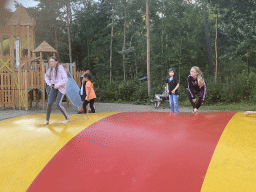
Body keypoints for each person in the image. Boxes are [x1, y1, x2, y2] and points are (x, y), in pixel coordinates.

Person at [43, 56, 70, 125]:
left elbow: (65, 79)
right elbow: (46, 76)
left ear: (56, 62)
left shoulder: (61, 69)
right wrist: (49, 83)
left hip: (61, 88)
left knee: (58, 104)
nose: (51, 63)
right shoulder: (50, 69)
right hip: (54, 88)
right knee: (49, 103)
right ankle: (47, 120)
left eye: (52, 61)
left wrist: (57, 85)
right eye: (50, 61)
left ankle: (67, 118)